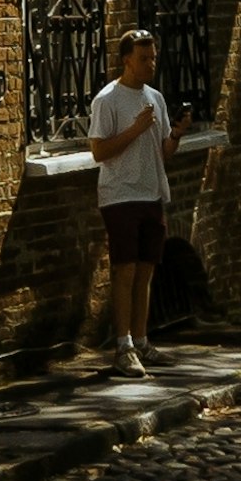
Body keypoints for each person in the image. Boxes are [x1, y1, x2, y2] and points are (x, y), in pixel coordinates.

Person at [86, 27, 170, 373]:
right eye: (143, 59)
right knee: (125, 270)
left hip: (152, 192)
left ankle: (142, 339)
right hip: (120, 195)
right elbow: (98, 151)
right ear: (126, 61)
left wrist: (176, 133)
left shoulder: (156, 98)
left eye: (153, 57)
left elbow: (164, 151)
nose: (150, 64)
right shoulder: (107, 100)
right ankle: (122, 347)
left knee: (146, 271)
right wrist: (134, 130)